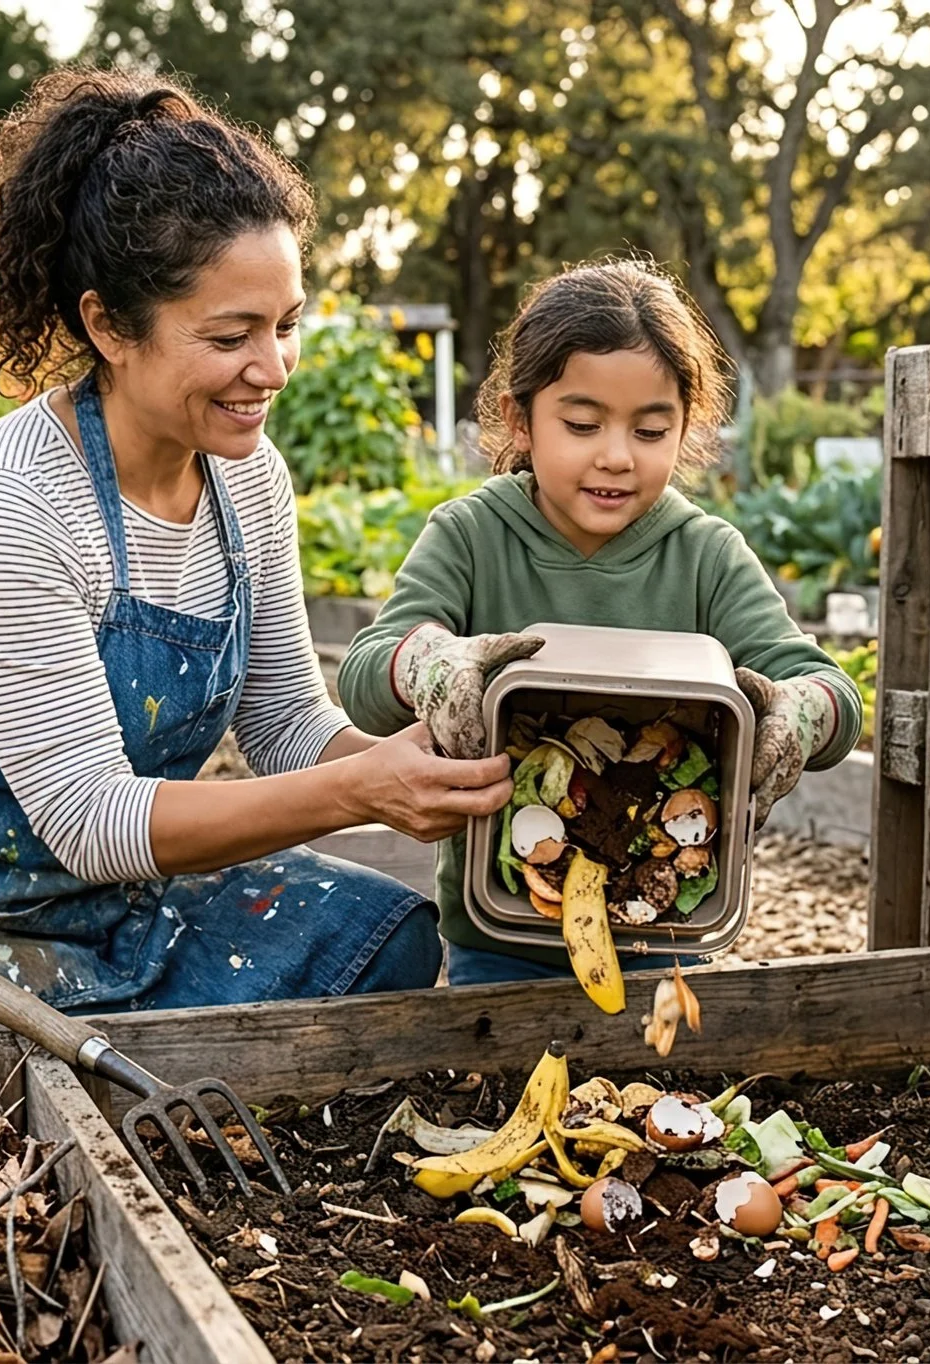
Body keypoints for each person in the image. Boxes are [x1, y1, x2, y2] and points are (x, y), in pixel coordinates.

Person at [0, 69, 514, 1035]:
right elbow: (92, 819)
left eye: (287, 324)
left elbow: (285, 723)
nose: (272, 370)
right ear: (108, 325)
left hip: (125, 899)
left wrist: (416, 762)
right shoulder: (5, 503)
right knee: (20, 1133)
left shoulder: (247, 480)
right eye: (230, 335)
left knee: (383, 940)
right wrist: (356, 793)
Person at [338, 260, 863, 986]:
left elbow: (829, 689)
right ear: (521, 420)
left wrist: (801, 713)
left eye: (651, 430)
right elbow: (366, 674)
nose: (616, 457)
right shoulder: (471, 536)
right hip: (501, 942)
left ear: (687, 429)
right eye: (582, 425)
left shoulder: (705, 556)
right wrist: (429, 663)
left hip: (668, 932)